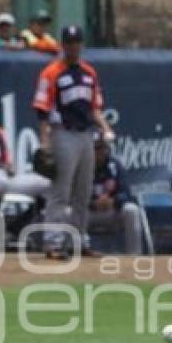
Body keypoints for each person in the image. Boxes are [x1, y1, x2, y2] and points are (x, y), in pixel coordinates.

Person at [33, 25, 114, 260]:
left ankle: (79, 241)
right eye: (69, 42)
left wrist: (106, 128)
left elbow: (95, 108)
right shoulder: (51, 73)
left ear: (81, 44)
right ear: (62, 45)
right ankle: (53, 243)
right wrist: (45, 144)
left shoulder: (89, 72)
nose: (73, 46)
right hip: (63, 133)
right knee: (61, 190)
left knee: (83, 191)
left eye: (77, 42)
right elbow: (43, 111)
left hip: (86, 134)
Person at [87, 132, 142, 254]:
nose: (97, 152)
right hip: (89, 213)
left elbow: (127, 194)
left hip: (112, 212)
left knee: (131, 210)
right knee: (68, 212)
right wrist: (93, 203)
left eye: (100, 147)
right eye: (94, 148)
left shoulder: (115, 166)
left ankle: (135, 255)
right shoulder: (82, 167)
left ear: (106, 148)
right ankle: (73, 251)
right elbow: (73, 197)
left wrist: (114, 201)